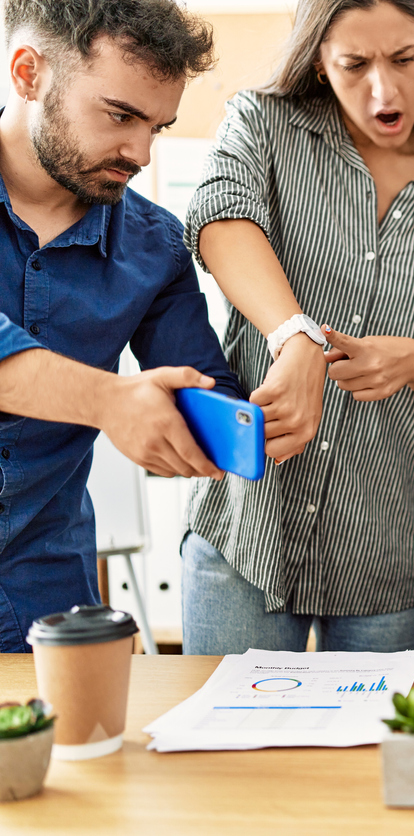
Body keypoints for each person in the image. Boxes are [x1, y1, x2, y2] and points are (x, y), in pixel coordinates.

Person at [179, 0, 414, 654]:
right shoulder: (263, 124)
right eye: (355, 64)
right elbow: (218, 217)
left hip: (388, 544)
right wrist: (292, 334)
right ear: (321, 64)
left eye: (405, 59)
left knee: (369, 758)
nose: (384, 89)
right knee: (231, 754)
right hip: (247, 528)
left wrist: (413, 362)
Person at [0, 0, 241, 652]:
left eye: (158, 126)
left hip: (47, 597)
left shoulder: (155, 244)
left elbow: (200, 390)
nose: (139, 151)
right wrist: (112, 401)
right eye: (120, 115)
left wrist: (245, 425)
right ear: (29, 73)